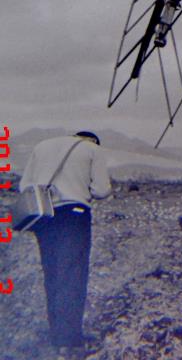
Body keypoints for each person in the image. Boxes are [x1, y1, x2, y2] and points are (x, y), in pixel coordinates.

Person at [19, 130, 112, 358]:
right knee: (72, 276)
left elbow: (24, 186)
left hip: (44, 215)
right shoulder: (93, 149)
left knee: (52, 274)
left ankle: (56, 337)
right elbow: (102, 190)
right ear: (93, 141)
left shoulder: (42, 146)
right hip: (73, 214)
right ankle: (70, 343)